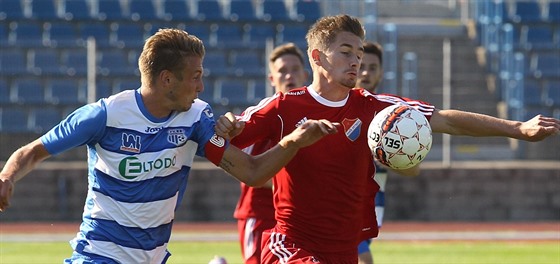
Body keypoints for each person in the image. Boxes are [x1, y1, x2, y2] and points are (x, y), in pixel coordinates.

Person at [214, 14, 560, 264]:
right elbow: (234, 131)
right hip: (293, 246)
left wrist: (517, 128)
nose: (357, 61)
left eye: (359, 52)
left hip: (345, 250)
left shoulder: (376, 109)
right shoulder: (283, 106)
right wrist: (228, 126)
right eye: (346, 52)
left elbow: (446, 120)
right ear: (317, 58)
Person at [0, 28, 339, 264]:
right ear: (166, 80)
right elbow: (32, 150)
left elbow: (251, 172)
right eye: (195, 76)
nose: (202, 85)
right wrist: (8, 176)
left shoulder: (195, 118)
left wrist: (295, 141)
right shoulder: (105, 115)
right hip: (100, 255)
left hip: (153, 256)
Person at [233, 42, 309, 264]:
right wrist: (287, 185)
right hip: (260, 213)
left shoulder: (312, 118)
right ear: (271, 79)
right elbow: (242, 164)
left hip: (296, 218)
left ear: (305, 75)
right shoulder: (262, 118)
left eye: (294, 69)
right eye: (282, 71)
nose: (289, 75)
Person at [355, 41, 388, 264]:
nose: (366, 72)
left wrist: (394, 160)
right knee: (363, 257)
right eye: (361, 65)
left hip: (375, 197)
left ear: (381, 73)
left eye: (373, 67)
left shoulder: (390, 115)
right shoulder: (336, 105)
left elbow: (413, 170)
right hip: (342, 198)